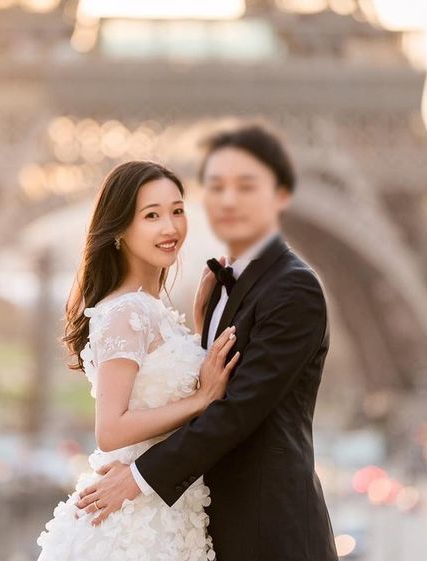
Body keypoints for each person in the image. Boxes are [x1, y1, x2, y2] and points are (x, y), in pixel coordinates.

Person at [75, 123, 340, 561]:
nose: (228, 201)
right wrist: (200, 381)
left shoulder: (292, 288)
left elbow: (238, 407)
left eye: (177, 210)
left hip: (265, 529)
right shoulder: (197, 293)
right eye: (216, 188)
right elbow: (186, 397)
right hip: (174, 521)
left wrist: (139, 476)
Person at [35, 159, 238, 560]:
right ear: (120, 230)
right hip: (135, 524)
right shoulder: (129, 312)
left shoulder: (150, 310)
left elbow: (159, 380)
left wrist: (200, 325)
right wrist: (201, 400)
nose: (171, 227)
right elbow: (111, 429)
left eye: (177, 211)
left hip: (163, 512)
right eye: (151, 216)